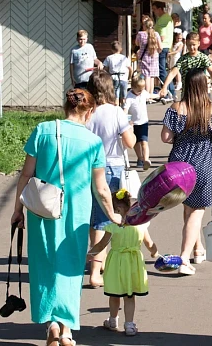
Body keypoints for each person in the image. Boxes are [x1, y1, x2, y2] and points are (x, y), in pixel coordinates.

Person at [11, 88, 122, 346]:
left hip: (42, 209)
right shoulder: (93, 142)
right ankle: (66, 329)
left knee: (44, 264)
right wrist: (112, 214)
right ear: (90, 111)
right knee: (70, 268)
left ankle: (50, 322)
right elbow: (101, 188)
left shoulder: (42, 130)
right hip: (75, 213)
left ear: (65, 107)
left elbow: (26, 174)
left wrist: (18, 209)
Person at [161, 68, 212, 275]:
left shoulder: (176, 108)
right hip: (204, 162)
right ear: (204, 85)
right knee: (197, 211)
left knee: (189, 208)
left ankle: (198, 249)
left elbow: (165, 137)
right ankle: (183, 258)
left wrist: (180, 139)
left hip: (179, 164)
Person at [85, 70, 136, 287]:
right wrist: (130, 126)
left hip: (86, 167)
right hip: (110, 167)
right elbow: (130, 142)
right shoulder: (116, 113)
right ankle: (95, 272)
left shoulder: (86, 112)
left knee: (93, 217)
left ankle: (98, 260)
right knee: (106, 219)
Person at [88, 189, 158, 337]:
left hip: (117, 262)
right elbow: (150, 243)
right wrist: (155, 253)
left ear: (118, 209)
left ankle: (113, 320)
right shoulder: (141, 225)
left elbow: (101, 245)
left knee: (114, 294)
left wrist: (90, 254)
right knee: (130, 295)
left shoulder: (113, 226)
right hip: (133, 263)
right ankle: (130, 325)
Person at [159, 33, 212, 98]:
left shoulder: (203, 57)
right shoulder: (183, 59)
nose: (191, 47)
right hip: (187, 92)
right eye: (189, 45)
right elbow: (173, 73)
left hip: (202, 90)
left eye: (194, 45)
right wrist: (164, 87)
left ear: (198, 43)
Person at [124, 76, 152, 170]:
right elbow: (125, 109)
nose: (140, 92)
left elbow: (150, 95)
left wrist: (159, 95)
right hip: (134, 124)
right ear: (132, 87)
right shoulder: (129, 97)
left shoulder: (143, 93)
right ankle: (140, 158)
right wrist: (125, 119)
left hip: (144, 122)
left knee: (144, 142)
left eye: (142, 90)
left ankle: (146, 159)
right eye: (138, 90)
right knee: (136, 143)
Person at [152, 1, 174, 96]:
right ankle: (171, 90)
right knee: (163, 69)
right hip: (166, 45)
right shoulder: (166, 18)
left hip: (162, 46)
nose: (153, 11)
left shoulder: (162, 20)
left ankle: (169, 91)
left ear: (160, 9)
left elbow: (162, 36)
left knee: (161, 70)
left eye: (154, 9)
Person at [136, 18, 162, 97]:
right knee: (152, 76)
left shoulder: (141, 34)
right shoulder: (156, 34)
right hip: (154, 56)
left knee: (146, 75)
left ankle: (147, 95)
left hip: (144, 57)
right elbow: (160, 47)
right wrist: (157, 52)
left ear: (144, 26)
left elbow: (137, 44)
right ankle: (150, 94)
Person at [103, 41, 133, 107]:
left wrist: (107, 76)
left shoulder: (109, 58)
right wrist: (129, 77)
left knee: (115, 95)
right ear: (121, 49)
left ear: (111, 49)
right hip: (123, 77)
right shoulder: (124, 58)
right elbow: (130, 68)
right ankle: (123, 108)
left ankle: (116, 108)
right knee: (124, 95)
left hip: (114, 77)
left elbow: (105, 68)